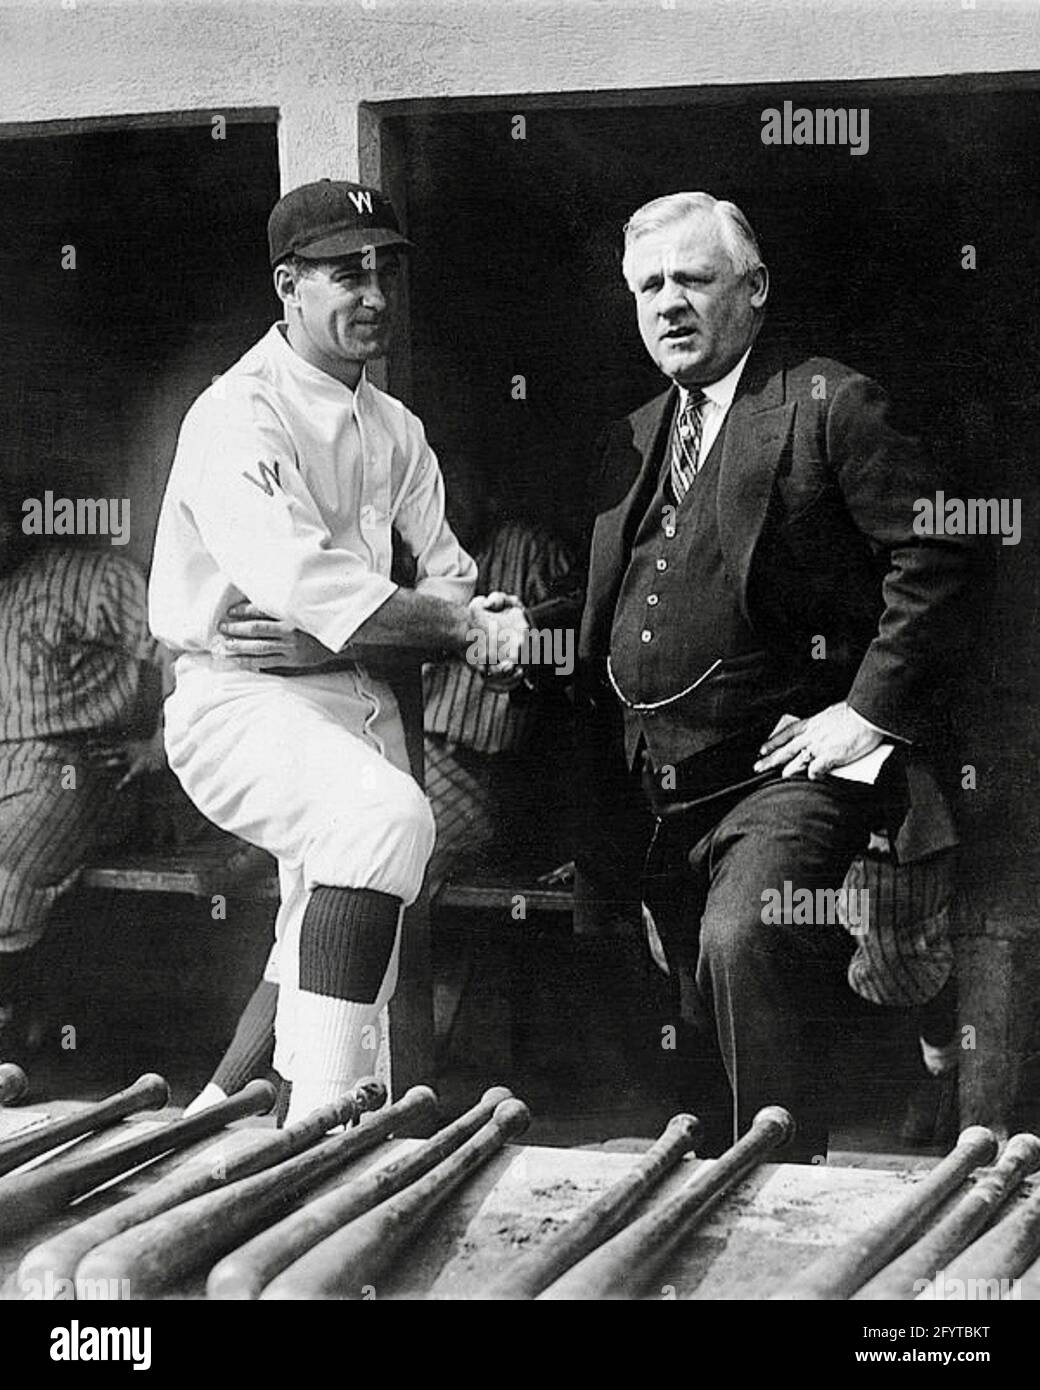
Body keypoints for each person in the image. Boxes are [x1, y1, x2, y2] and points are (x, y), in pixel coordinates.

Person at [561, 192, 974, 1161]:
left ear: (751, 290)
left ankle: (782, 1186)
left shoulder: (825, 404)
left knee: (740, 939)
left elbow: (939, 553)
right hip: (651, 783)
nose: (667, 303)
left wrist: (863, 712)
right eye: (648, 286)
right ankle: (702, 1175)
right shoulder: (629, 439)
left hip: (777, 777)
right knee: (625, 954)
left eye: (692, 280)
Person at [148, 179, 526, 1125]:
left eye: (384, 270)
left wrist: (407, 621)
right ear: (288, 285)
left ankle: (220, 1110)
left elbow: (446, 577)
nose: (373, 295)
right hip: (237, 697)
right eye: (343, 274)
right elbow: (311, 586)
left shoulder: (397, 428)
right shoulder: (237, 412)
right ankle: (319, 1117)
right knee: (387, 820)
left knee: (350, 914)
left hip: (355, 693)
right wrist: (454, 629)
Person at [0, 484, 165, 1053]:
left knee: (4, 867)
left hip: (75, 769)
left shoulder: (96, 576)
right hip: (7, 765)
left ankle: (12, 1036)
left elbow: (178, 650)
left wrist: (161, 744)